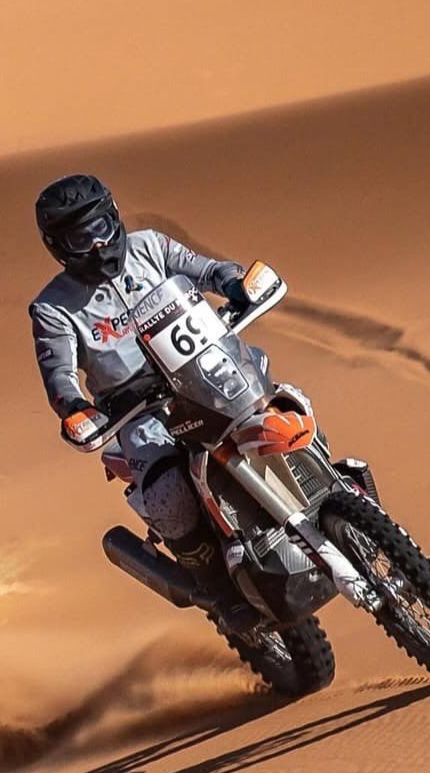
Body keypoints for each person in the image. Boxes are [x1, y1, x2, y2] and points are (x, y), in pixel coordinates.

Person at [28, 172, 262, 633]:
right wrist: (74, 406)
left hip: (205, 372)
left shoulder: (151, 246)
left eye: (100, 229)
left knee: (275, 399)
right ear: (58, 246)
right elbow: (58, 373)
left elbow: (206, 269)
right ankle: (217, 587)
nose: (97, 245)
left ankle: (333, 490)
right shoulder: (53, 308)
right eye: (81, 239)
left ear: (113, 217)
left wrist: (233, 281)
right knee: (168, 490)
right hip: (137, 410)